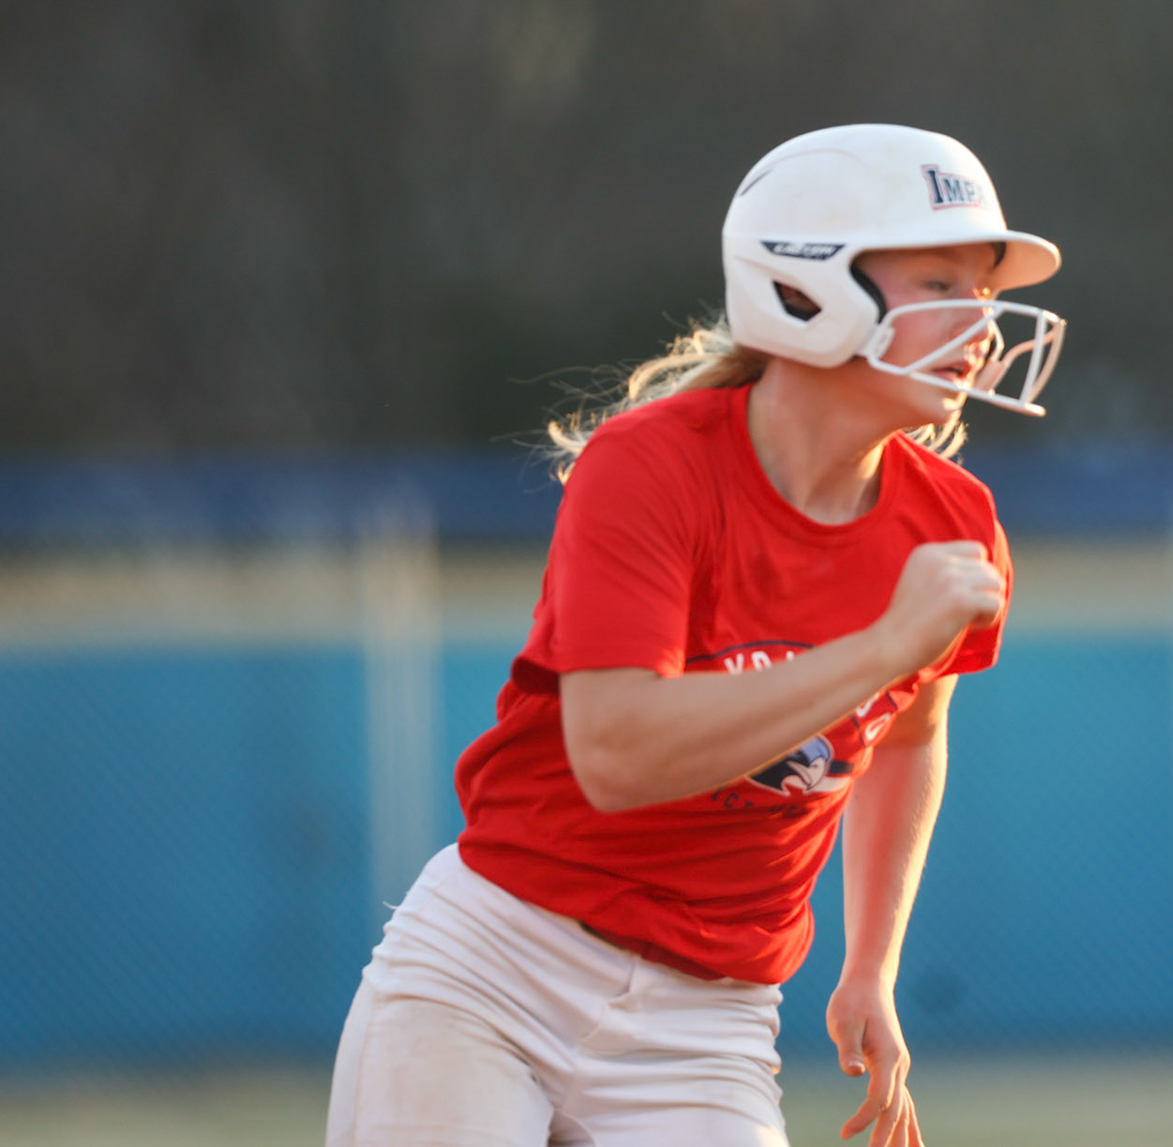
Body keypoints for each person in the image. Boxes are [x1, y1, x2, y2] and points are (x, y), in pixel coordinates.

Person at [325, 123, 1067, 1147]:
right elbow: (617, 752)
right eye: (943, 279)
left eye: (985, 292)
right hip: (497, 965)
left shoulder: (954, 520)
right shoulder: (651, 465)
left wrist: (872, 964)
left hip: (709, 1016)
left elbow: (907, 732)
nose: (982, 324)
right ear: (805, 284)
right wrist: (879, 644)